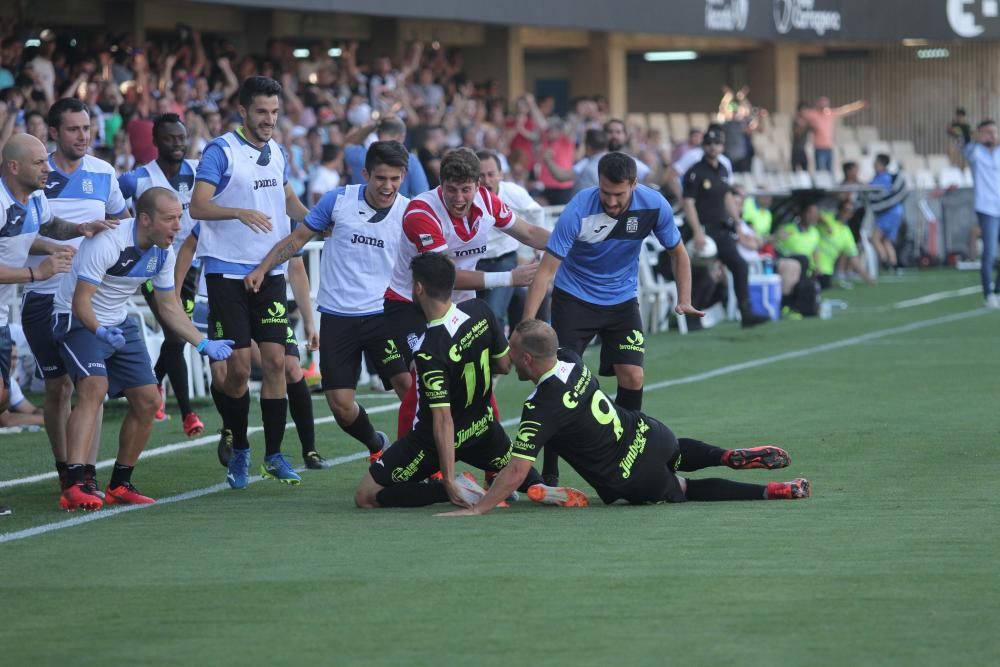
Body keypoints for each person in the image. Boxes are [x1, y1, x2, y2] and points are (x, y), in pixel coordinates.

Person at [437, 320, 810, 516]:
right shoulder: (569, 357)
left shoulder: (541, 406)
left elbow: (517, 470)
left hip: (631, 475)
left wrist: (480, 509)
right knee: (678, 451)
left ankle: (771, 491)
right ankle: (726, 455)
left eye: (513, 353)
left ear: (528, 360)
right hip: (650, 433)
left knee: (686, 489)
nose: (509, 358)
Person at [523, 151, 703, 485]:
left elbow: (678, 252)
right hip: (574, 300)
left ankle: (629, 452)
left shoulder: (654, 205)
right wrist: (527, 325)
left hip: (621, 301)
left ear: (634, 185)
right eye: (605, 192)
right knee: (560, 383)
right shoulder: (578, 209)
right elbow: (547, 271)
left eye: (619, 194)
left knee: (633, 377)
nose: (611, 200)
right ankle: (550, 470)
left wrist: (685, 299)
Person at [53, 187, 233, 510]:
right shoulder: (107, 242)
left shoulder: (164, 251)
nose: (178, 226)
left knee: (150, 400)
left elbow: (168, 306)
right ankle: (74, 483)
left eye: (179, 218)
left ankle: (119, 484)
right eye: (170, 219)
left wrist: (203, 343)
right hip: (77, 319)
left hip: (118, 321)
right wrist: (100, 330)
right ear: (145, 219)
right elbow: (81, 302)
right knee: (94, 386)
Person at [246, 141, 413, 464]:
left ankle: (419, 459)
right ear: (365, 174)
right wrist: (263, 269)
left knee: (409, 388)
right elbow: (296, 240)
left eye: (394, 178)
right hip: (339, 317)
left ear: (403, 176)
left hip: (386, 314)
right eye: (380, 178)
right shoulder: (337, 201)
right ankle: (375, 442)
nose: (387, 186)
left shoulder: (409, 212)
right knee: (340, 405)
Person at [190, 76, 311, 489]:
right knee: (239, 370)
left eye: (275, 112)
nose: (269, 120)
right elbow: (199, 205)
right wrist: (238, 211)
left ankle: (273, 454)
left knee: (277, 362)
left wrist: (320, 220)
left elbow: (288, 202)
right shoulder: (220, 151)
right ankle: (240, 447)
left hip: (271, 270)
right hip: (226, 273)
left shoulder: (277, 152)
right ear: (243, 111)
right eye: (262, 112)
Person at [354, 253, 544, 509]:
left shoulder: (428, 349)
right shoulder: (480, 310)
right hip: (484, 430)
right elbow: (502, 365)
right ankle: (546, 487)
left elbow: (443, 420)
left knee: (366, 496)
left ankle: (454, 489)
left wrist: (449, 481)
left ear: (418, 288)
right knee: (535, 485)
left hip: (431, 443)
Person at [382, 147, 548, 436]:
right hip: (411, 304)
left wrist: (577, 243)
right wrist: (509, 278)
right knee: (423, 377)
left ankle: (493, 458)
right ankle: (404, 462)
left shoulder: (488, 201)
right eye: (452, 190)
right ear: (441, 185)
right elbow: (444, 278)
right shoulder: (421, 212)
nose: (459, 199)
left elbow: (530, 233)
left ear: (478, 186)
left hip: (457, 304)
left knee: (480, 372)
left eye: (466, 190)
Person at [21, 98, 129, 500]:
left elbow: (120, 221)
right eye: (73, 129)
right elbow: (20, 233)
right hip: (43, 295)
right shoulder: (34, 174)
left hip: (87, 299)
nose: (83, 136)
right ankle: (66, 468)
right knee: (57, 388)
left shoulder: (103, 172)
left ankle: (86, 475)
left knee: (90, 385)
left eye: (86, 128)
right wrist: (55, 246)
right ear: (53, 133)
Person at [118, 112, 205, 437]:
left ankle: (151, 388)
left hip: (191, 268)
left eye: (181, 137)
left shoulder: (197, 171)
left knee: (177, 337)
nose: (177, 144)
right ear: (155, 142)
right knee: (175, 334)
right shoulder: (138, 179)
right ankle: (187, 412)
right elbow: (111, 201)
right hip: (153, 266)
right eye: (170, 138)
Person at [2, 134, 90, 416]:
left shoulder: (37, 198)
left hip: (1, 315)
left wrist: (80, 230)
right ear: (14, 167)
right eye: (39, 162)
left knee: (2, 399)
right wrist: (36, 272)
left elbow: (46, 227)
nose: (48, 168)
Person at [682, 125, 769, 328]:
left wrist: (738, 223)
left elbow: (727, 195)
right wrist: (696, 232)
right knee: (701, 273)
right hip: (703, 230)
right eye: (709, 143)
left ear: (722, 146)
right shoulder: (695, 172)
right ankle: (691, 317)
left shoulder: (722, 169)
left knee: (740, 265)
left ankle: (745, 312)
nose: (713, 147)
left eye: (717, 143)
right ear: (704, 146)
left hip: (721, 229)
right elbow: (688, 203)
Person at [474, 150, 546, 332]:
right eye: (481, 175)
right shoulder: (467, 195)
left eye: (491, 174)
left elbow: (536, 212)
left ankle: (497, 359)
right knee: (473, 317)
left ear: (501, 175)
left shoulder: (513, 192)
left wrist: (539, 250)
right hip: (473, 263)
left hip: (504, 260)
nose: (487, 180)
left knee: (493, 314)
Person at [343, 115, 429, 199]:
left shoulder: (359, 155)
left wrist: (373, 125)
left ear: (378, 134)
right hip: (399, 212)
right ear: (401, 136)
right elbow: (422, 194)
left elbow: (348, 144)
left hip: (359, 210)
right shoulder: (410, 160)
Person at [962, 120, 1000, 308]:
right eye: (988, 132)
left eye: (995, 132)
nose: (993, 136)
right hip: (987, 208)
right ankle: (988, 294)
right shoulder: (975, 152)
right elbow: (966, 147)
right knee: (990, 253)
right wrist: (974, 137)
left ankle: (998, 291)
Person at [801, 96, 867, 172]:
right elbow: (801, 114)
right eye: (822, 105)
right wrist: (809, 125)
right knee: (820, 171)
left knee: (829, 170)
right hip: (819, 148)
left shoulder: (830, 113)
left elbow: (846, 110)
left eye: (825, 105)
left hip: (829, 147)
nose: (824, 107)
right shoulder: (813, 114)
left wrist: (859, 105)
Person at [818, 200, 875, 288]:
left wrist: (866, 277)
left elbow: (854, 257)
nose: (847, 214)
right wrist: (827, 224)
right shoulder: (829, 218)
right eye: (845, 210)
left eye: (850, 212)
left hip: (826, 270)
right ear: (840, 210)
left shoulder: (846, 233)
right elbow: (816, 214)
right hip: (813, 266)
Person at [869, 153, 907, 272]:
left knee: (875, 238)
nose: (874, 165)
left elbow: (874, 191)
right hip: (896, 212)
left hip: (888, 213)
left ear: (881, 164)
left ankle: (884, 261)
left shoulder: (883, 178)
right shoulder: (888, 177)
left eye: (876, 163)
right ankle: (893, 264)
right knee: (887, 240)